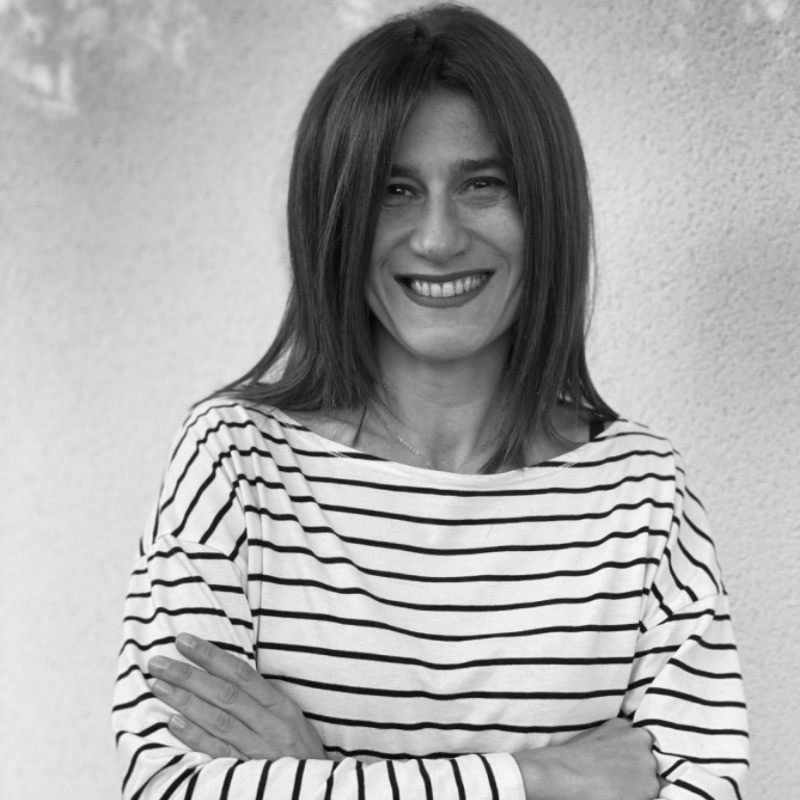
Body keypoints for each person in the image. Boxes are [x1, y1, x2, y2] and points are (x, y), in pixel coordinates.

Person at [112, 5, 749, 799]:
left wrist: (316, 777)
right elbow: (168, 788)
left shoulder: (642, 494)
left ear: (547, 208)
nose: (438, 238)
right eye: (394, 190)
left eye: (483, 185)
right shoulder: (235, 465)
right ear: (335, 215)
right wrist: (542, 778)